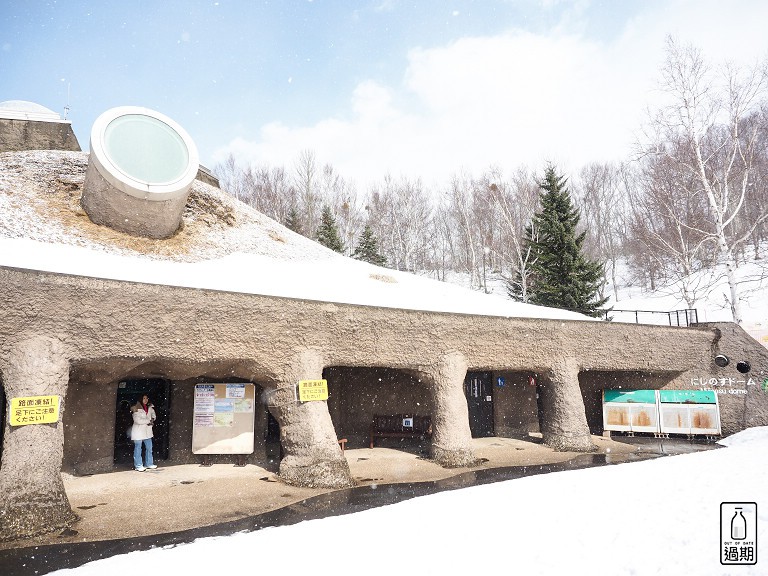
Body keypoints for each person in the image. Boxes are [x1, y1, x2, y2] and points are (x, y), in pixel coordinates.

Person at [130, 394, 157, 471]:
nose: (146, 400)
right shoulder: (136, 408)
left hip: (147, 431)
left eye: (147, 398)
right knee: (138, 448)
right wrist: (148, 421)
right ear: (140, 399)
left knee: (149, 448)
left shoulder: (150, 407)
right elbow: (137, 420)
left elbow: (154, 415)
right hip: (138, 432)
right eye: (144, 398)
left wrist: (152, 419)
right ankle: (138, 465)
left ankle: (149, 463)